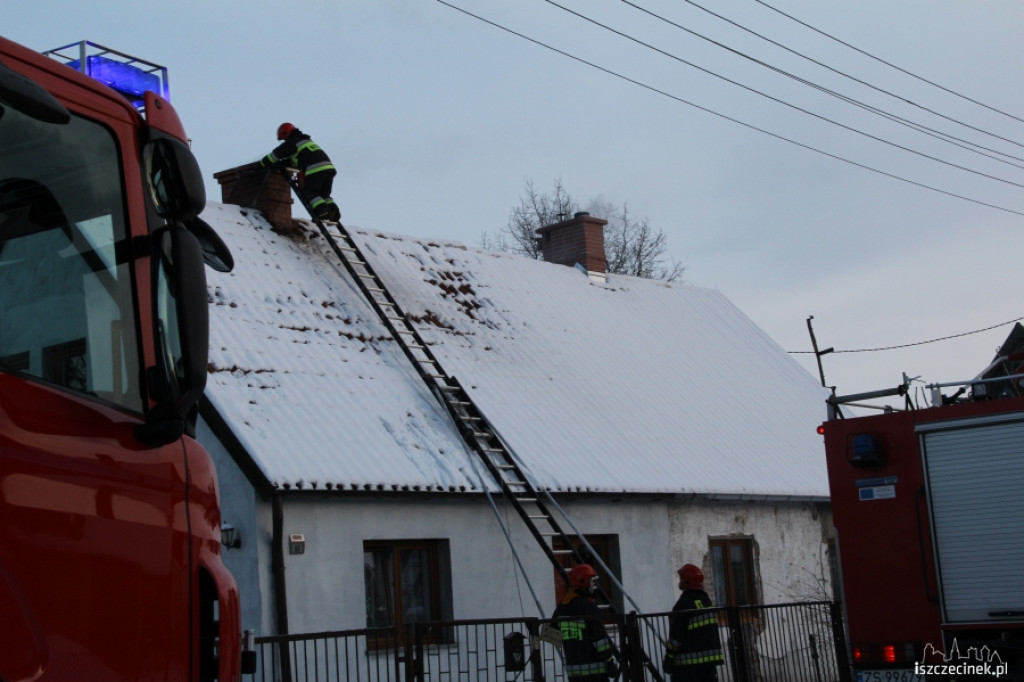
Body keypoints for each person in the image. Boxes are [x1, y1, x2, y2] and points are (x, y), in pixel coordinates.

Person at [261, 122, 340, 222]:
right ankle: (334, 212)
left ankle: (323, 212)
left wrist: (262, 163)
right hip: (329, 169)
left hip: (315, 169)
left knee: (311, 193)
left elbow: (276, 155)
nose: (284, 141)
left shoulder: (292, 142)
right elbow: (297, 160)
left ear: (285, 134)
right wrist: (283, 164)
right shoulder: (305, 141)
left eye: (283, 138)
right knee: (324, 195)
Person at [552, 564, 619, 682]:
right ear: (583, 582)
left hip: (574, 673)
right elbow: (599, 639)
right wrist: (609, 661)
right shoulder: (588, 607)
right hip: (595, 673)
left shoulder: (562, 607)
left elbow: (551, 635)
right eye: (592, 581)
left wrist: (571, 641)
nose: (594, 585)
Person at [663, 564, 724, 682]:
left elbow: (676, 637)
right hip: (709, 664)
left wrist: (669, 659)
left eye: (681, 579)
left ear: (687, 582)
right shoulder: (706, 601)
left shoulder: (684, 605)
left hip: (688, 666)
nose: (680, 581)